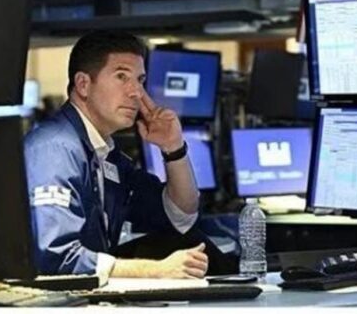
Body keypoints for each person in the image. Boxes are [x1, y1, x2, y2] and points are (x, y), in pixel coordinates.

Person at [24, 32, 226, 280]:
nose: (136, 92)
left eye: (140, 80)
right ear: (83, 84)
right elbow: (55, 258)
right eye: (122, 76)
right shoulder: (54, 149)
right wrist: (157, 271)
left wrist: (174, 148)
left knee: (187, 242)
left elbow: (180, 217)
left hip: (90, 293)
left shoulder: (105, 155)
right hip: (60, 297)